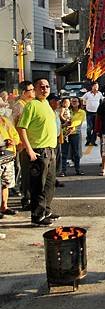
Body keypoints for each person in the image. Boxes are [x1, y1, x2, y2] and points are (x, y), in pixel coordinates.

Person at [17, 78, 59, 227]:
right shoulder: (31, 105)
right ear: (34, 89)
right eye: (41, 87)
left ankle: (46, 211)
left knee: (49, 184)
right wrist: (29, 150)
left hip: (51, 149)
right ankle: (37, 216)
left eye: (47, 86)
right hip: (38, 150)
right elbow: (22, 128)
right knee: (38, 186)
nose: (45, 89)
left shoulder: (46, 104)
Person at [10, 80, 36, 201]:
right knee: (21, 168)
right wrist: (18, 142)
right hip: (21, 143)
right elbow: (14, 126)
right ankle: (17, 190)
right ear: (24, 92)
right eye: (31, 90)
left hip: (30, 142)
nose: (33, 92)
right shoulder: (19, 106)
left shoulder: (31, 103)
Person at [0, 114, 19, 218]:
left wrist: (13, 141)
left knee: (5, 183)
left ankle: (4, 207)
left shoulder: (5, 121)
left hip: (8, 156)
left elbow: (15, 136)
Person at [61, 97, 86, 176]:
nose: (73, 103)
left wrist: (70, 125)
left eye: (75, 101)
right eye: (72, 101)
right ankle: (63, 171)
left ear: (79, 103)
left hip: (76, 134)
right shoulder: (67, 110)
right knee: (64, 153)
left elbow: (78, 121)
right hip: (66, 134)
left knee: (76, 153)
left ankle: (77, 169)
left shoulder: (82, 112)